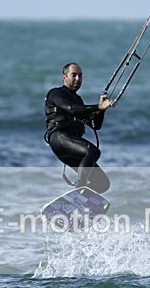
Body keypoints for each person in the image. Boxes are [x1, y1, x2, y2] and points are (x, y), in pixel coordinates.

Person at [44, 62, 113, 194]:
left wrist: (102, 110)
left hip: (71, 146)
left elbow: (95, 125)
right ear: (64, 77)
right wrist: (97, 107)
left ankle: (78, 203)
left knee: (103, 184)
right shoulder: (56, 93)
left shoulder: (78, 101)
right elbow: (72, 109)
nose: (77, 79)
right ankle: (78, 191)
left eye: (80, 76)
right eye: (74, 75)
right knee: (93, 151)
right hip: (59, 138)